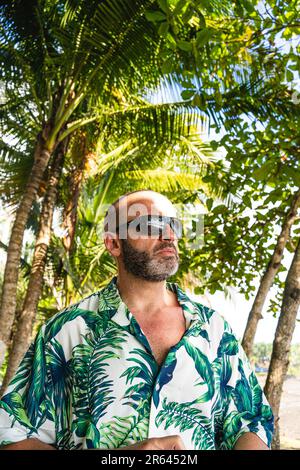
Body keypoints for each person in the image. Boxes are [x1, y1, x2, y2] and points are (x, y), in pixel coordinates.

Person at [0, 190, 274, 450]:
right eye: (150, 225)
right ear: (114, 243)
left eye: (173, 226)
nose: (168, 235)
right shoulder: (68, 330)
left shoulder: (213, 329)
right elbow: (13, 436)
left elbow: (252, 422)